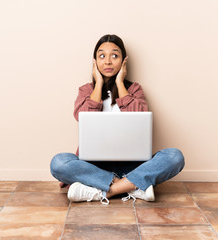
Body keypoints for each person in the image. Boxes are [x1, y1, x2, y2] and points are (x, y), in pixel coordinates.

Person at [50, 34, 184, 205]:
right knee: (58, 163)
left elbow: (139, 118)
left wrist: (120, 83)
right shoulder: (85, 91)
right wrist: (98, 84)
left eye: (114, 56)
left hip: (132, 165)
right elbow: (83, 118)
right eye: (102, 56)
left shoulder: (134, 89)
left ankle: (103, 191)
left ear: (123, 61)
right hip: (93, 166)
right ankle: (132, 187)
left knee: (174, 156)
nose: (107, 61)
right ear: (95, 61)